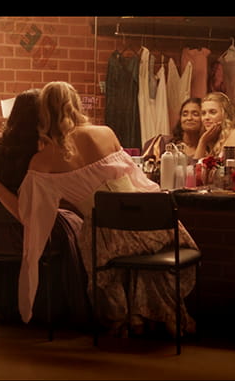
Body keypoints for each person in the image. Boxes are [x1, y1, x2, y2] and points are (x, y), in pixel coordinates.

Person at [11, 81, 199, 338]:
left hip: (103, 238)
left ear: (43, 112)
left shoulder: (43, 160)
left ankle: (131, 317)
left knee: (116, 250)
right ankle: (161, 315)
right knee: (142, 252)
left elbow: (32, 211)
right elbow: (139, 181)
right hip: (150, 226)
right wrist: (156, 206)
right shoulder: (105, 133)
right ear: (75, 104)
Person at [0, 89, 89, 326]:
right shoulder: (42, 150)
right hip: (27, 231)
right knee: (79, 226)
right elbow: (31, 213)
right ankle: (73, 305)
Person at [193, 91, 235, 167]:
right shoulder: (213, 140)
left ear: (225, 115)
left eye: (212, 112)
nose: (206, 118)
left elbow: (232, 171)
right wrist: (202, 142)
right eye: (203, 113)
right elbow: (195, 171)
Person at [140, 97, 203, 162]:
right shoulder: (162, 143)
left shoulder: (207, 150)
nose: (189, 118)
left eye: (195, 114)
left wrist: (203, 141)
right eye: (185, 114)